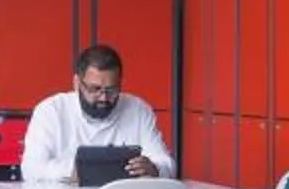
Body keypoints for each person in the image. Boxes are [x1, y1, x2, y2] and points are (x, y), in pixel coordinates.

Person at [20, 43, 175, 182]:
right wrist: (72, 172)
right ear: (77, 84)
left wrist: (155, 168)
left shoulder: (138, 110)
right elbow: (31, 169)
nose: (104, 98)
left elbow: (166, 163)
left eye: (112, 90)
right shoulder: (50, 111)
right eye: (95, 89)